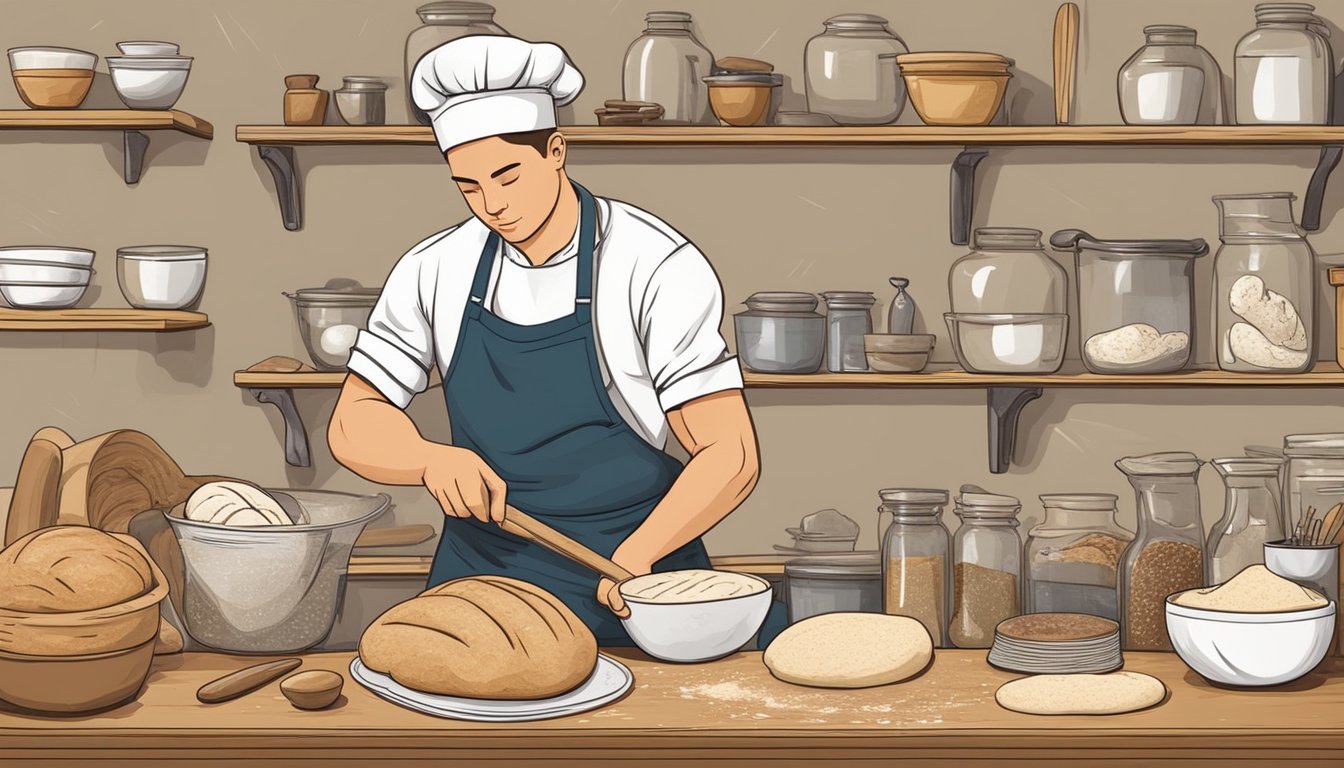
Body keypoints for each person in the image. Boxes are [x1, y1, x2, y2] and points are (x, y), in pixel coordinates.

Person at [328, 35, 778, 645]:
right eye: (468, 186)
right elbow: (354, 419)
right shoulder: (435, 268)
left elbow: (731, 453)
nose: (493, 205)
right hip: (482, 591)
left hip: (631, 580)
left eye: (508, 177)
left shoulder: (653, 263)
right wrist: (429, 459)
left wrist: (639, 561)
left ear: (556, 150)